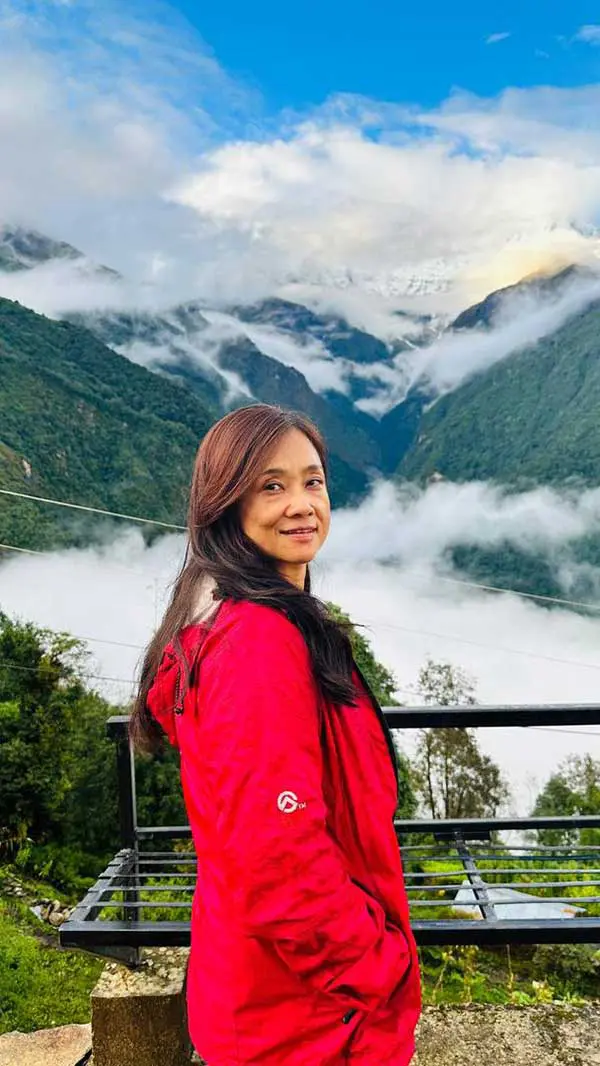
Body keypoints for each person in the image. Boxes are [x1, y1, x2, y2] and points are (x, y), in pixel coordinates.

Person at [130, 403, 421, 1065]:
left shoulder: (244, 623)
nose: (301, 504)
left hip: (262, 994)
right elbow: (279, 861)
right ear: (224, 503)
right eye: (271, 485)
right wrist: (377, 967)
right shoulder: (258, 645)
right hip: (306, 1022)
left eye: (313, 481)